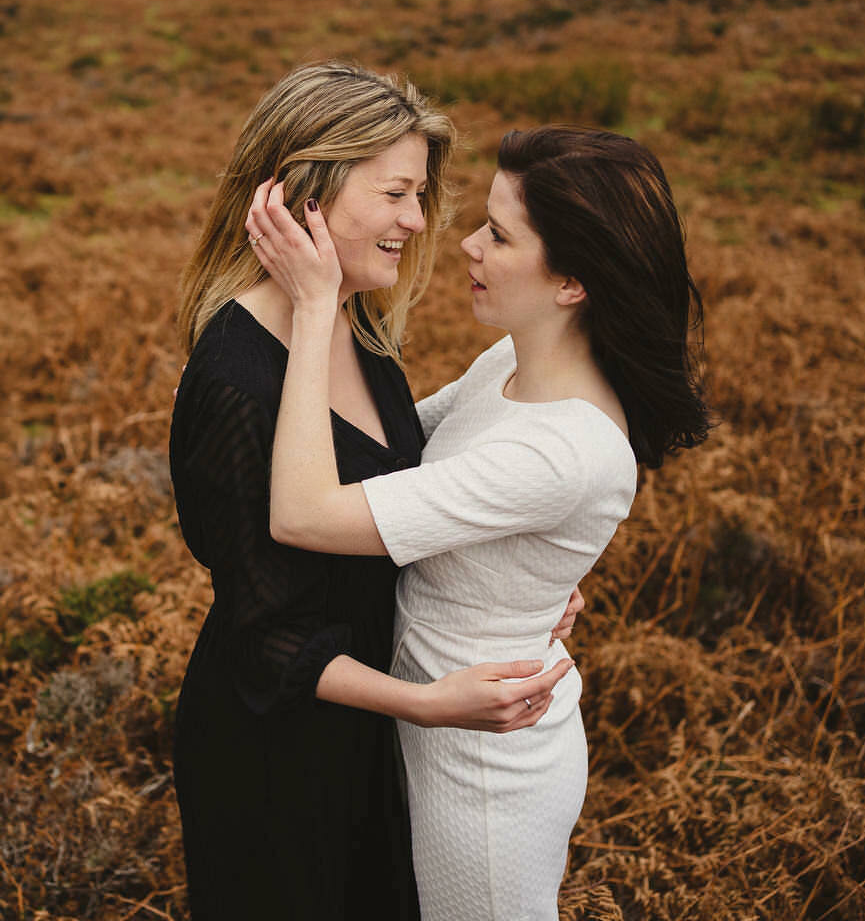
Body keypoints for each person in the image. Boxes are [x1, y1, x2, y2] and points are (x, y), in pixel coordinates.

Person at [248, 125, 714, 920]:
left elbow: (305, 513)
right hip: (422, 730)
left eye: (498, 235)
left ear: (572, 282)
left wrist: (318, 302)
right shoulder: (511, 364)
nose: (461, 243)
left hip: (484, 779)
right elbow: (388, 465)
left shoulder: (562, 450)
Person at [169, 64, 583, 921]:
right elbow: (264, 640)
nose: (418, 222)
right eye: (396, 193)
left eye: (421, 194)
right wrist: (428, 705)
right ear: (306, 195)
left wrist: (519, 577)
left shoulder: (359, 325)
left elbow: (411, 489)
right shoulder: (235, 377)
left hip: (368, 734)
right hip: (276, 755)